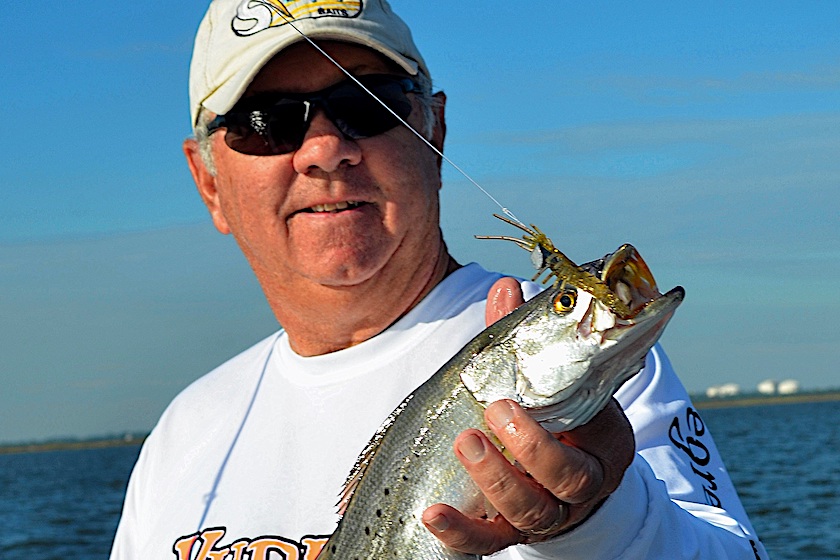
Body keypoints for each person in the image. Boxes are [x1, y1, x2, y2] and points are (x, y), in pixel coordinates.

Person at [110, 1, 768, 558]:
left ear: (436, 128)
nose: (324, 150)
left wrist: (605, 521)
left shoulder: (615, 384)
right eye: (268, 120)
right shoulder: (182, 434)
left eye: (367, 104)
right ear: (208, 183)